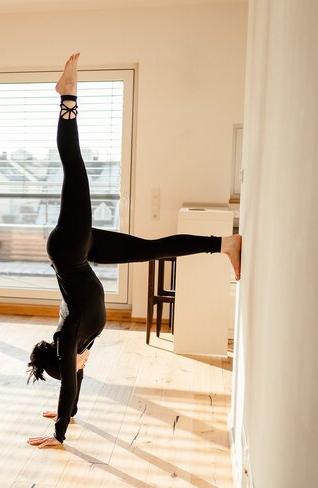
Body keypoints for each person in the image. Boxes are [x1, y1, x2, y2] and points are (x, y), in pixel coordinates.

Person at [26, 53, 242, 448]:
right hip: (82, 252)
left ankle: (67, 98)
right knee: (151, 249)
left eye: (74, 367)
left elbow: (70, 380)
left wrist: (57, 432)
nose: (81, 368)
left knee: (75, 171)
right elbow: (73, 381)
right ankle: (225, 244)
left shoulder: (70, 335)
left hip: (71, 249)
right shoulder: (77, 343)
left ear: (67, 357)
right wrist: (69, 414)